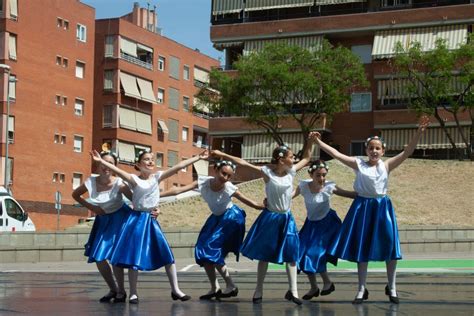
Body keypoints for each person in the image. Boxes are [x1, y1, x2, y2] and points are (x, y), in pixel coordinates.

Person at [314, 116, 429, 304]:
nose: (374, 151)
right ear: (366, 150)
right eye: (371, 148)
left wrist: (418, 133)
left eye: (378, 148)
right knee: (362, 247)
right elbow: (336, 153)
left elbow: (407, 151)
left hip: (382, 208)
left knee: (390, 247)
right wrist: (318, 141)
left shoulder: (387, 165)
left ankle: (391, 287)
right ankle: (361, 288)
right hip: (362, 208)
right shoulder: (358, 164)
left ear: (383, 151)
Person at [211, 132, 317, 305]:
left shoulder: (291, 172)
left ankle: (293, 291)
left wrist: (312, 141)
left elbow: (307, 157)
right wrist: (222, 154)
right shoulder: (268, 173)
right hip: (270, 218)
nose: (294, 159)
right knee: (264, 255)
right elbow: (243, 162)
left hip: (286, 218)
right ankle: (258, 290)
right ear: (281, 159)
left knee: (291, 255)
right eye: (291, 156)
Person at [90, 149, 208, 304]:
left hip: (151, 220)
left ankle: (176, 290)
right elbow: (116, 170)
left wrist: (198, 157)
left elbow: (178, 166)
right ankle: (133, 293)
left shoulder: (157, 177)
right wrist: (101, 162)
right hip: (136, 220)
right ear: (138, 164)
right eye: (146, 159)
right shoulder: (133, 179)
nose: (151, 161)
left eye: (152, 159)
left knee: (167, 255)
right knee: (134, 258)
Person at [164, 160, 265, 300]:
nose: (226, 178)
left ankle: (230, 285)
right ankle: (215, 287)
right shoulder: (203, 182)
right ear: (216, 170)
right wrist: (158, 195)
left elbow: (250, 202)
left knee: (211, 250)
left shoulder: (229, 188)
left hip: (231, 218)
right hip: (216, 218)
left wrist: (264, 206)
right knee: (202, 250)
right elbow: (178, 190)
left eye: (229, 176)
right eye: (223, 173)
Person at [72, 151, 133, 303]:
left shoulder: (119, 184)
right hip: (103, 220)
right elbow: (75, 195)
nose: (106, 166)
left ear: (114, 167)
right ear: (98, 164)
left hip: (120, 218)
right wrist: (91, 207)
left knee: (115, 257)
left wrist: (153, 209)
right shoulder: (91, 181)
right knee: (99, 257)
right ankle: (113, 289)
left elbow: (136, 200)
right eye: (103, 162)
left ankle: (122, 291)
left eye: (110, 163)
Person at [293, 159, 356, 301]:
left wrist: (367, 192)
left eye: (323, 175)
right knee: (301, 254)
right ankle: (314, 287)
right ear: (311, 174)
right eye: (318, 175)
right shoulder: (303, 186)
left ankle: (327, 282)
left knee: (315, 254)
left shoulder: (329, 186)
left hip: (327, 225)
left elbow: (349, 194)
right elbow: (289, 196)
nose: (321, 178)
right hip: (311, 225)